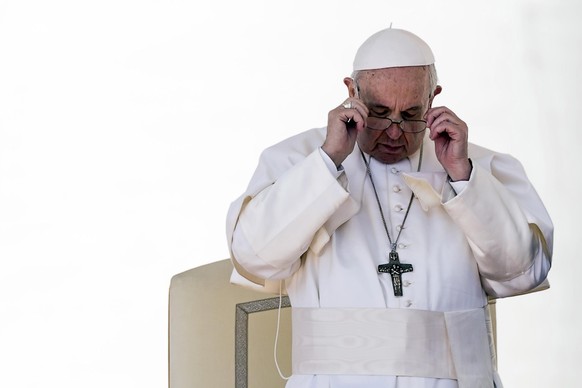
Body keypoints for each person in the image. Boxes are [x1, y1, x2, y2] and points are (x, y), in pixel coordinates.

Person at [226, 27, 553, 388]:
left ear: (434, 99)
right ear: (352, 93)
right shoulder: (297, 159)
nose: (395, 132)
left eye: (412, 114)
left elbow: (523, 273)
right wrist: (326, 162)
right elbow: (253, 255)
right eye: (380, 113)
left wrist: (464, 178)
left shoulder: (477, 165)